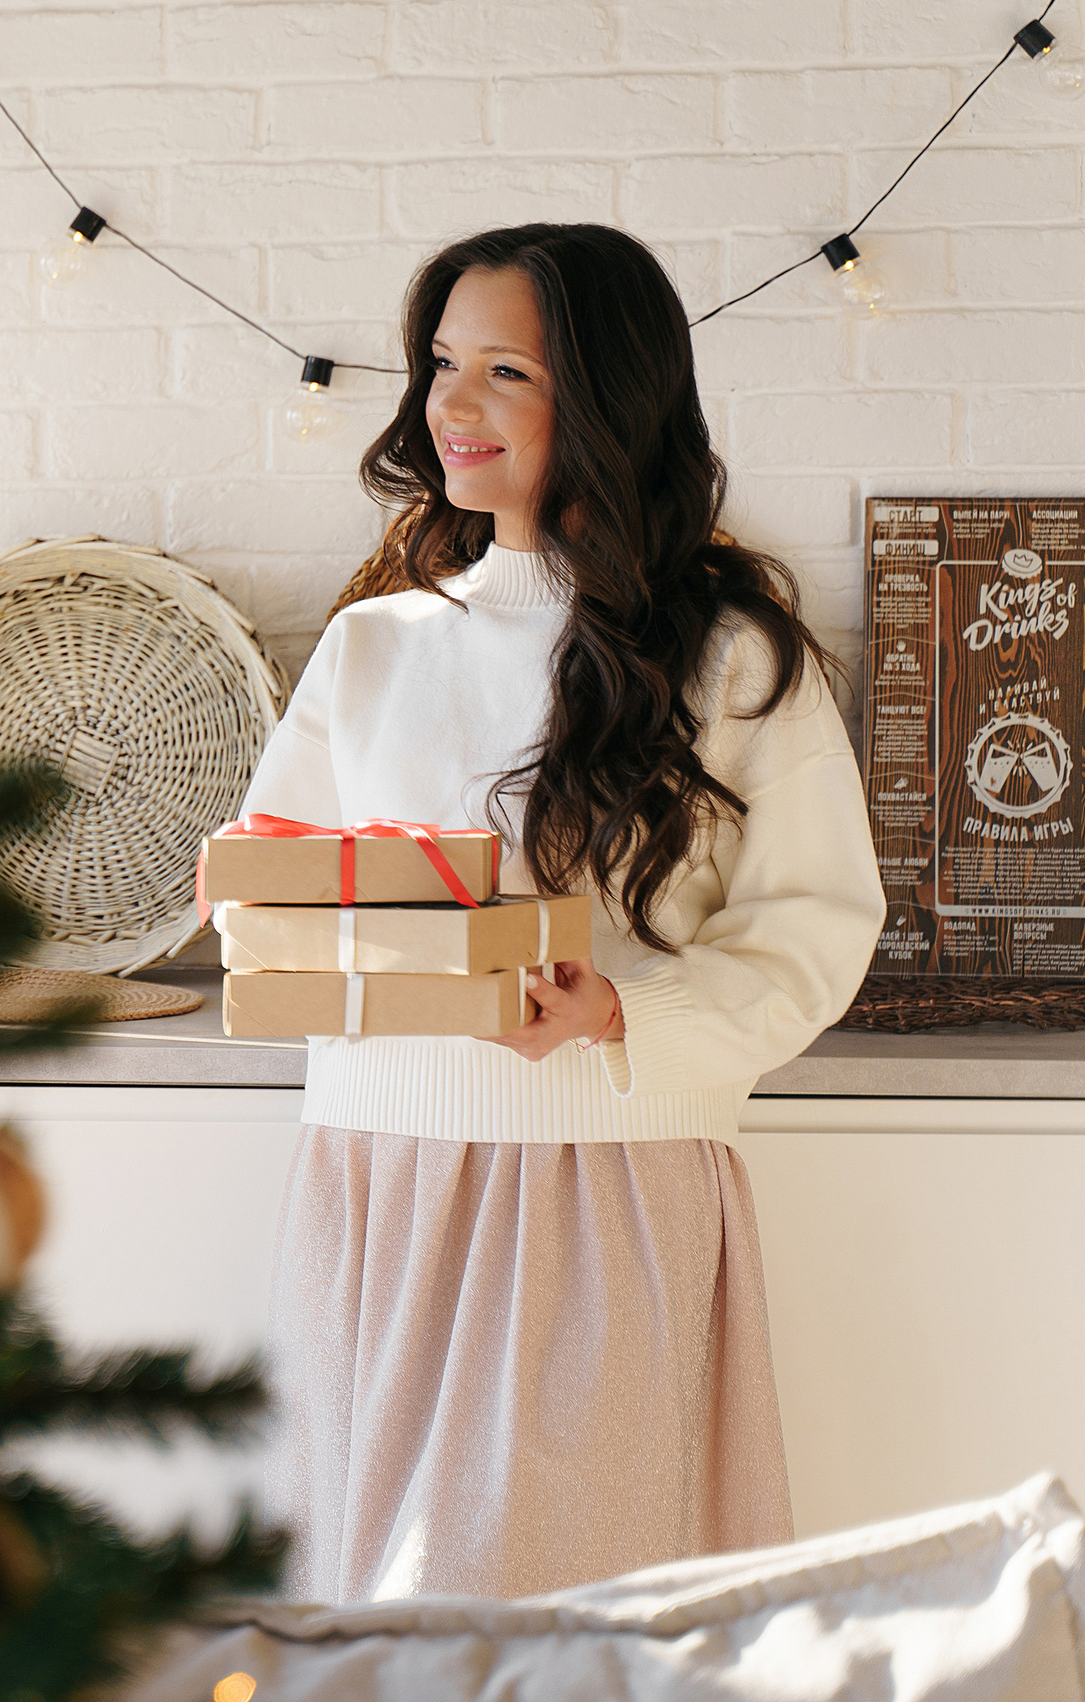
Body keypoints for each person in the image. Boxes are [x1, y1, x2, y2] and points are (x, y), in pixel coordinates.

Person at [235, 223, 884, 1603]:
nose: (448, 408)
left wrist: (624, 1016)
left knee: (562, 1622)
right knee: (379, 1633)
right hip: (380, 1185)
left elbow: (816, 928)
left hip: (605, 1196)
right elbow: (278, 902)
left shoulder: (730, 652)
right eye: (440, 364)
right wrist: (259, 889)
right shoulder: (375, 644)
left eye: (506, 372)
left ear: (605, 396)